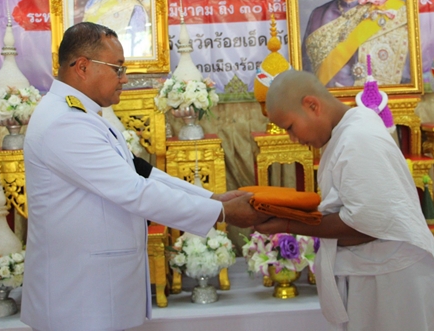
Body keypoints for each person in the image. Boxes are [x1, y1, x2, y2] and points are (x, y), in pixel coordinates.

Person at [21, 22, 269, 331]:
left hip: (92, 291)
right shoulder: (65, 122)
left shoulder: (81, 114)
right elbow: (134, 190)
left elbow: (141, 171)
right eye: (117, 68)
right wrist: (222, 212)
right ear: (82, 67)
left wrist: (212, 198)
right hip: (80, 298)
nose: (124, 78)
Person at [256, 70, 434, 331]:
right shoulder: (346, 133)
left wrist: (287, 224)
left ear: (312, 105)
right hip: (376, 277)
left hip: (395, 284)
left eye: (290, 127)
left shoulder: (359, 137)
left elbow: (367, 224)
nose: (293, 138)